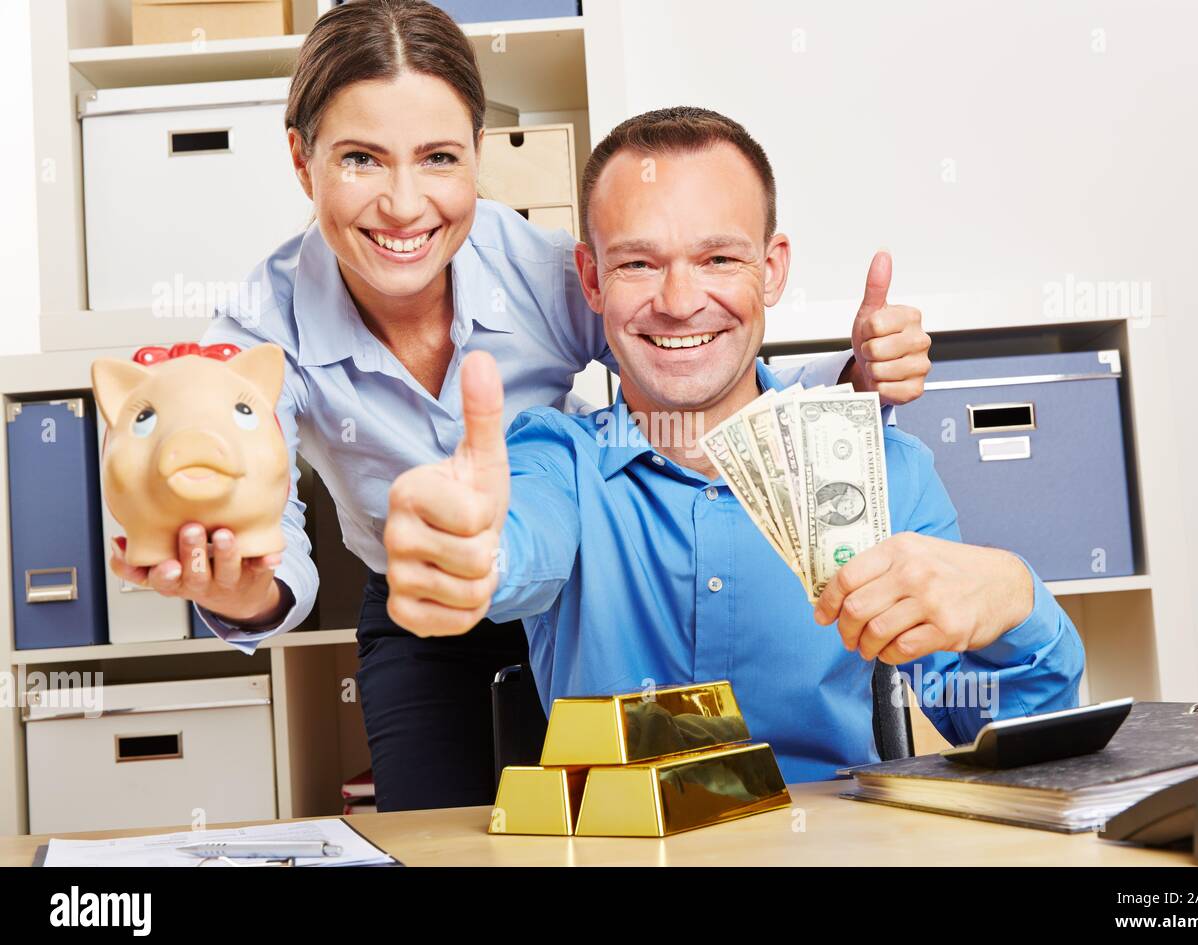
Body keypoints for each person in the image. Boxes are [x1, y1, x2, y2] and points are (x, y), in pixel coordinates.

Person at [104, 3, 933, 809]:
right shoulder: (257, 332)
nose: (402, 204)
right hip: (419, 599)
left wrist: (849, 386)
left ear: (477, 154)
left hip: (570, 577)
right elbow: (270, 538)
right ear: (301, 159)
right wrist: (237, 586)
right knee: (440, 830)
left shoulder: (539, 271)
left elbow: (689, 363)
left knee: (617, 812)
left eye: (438, 158)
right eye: (361, 159)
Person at [383, 107, 1084, 782]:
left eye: (718, 258)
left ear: (772, 270)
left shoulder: (891, 477)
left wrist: (1017, 603)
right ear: (592, 279)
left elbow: (1015, 745)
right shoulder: (556, 462)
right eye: (638, 264)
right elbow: (515, 542)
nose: (681, 300)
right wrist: (470, 551)